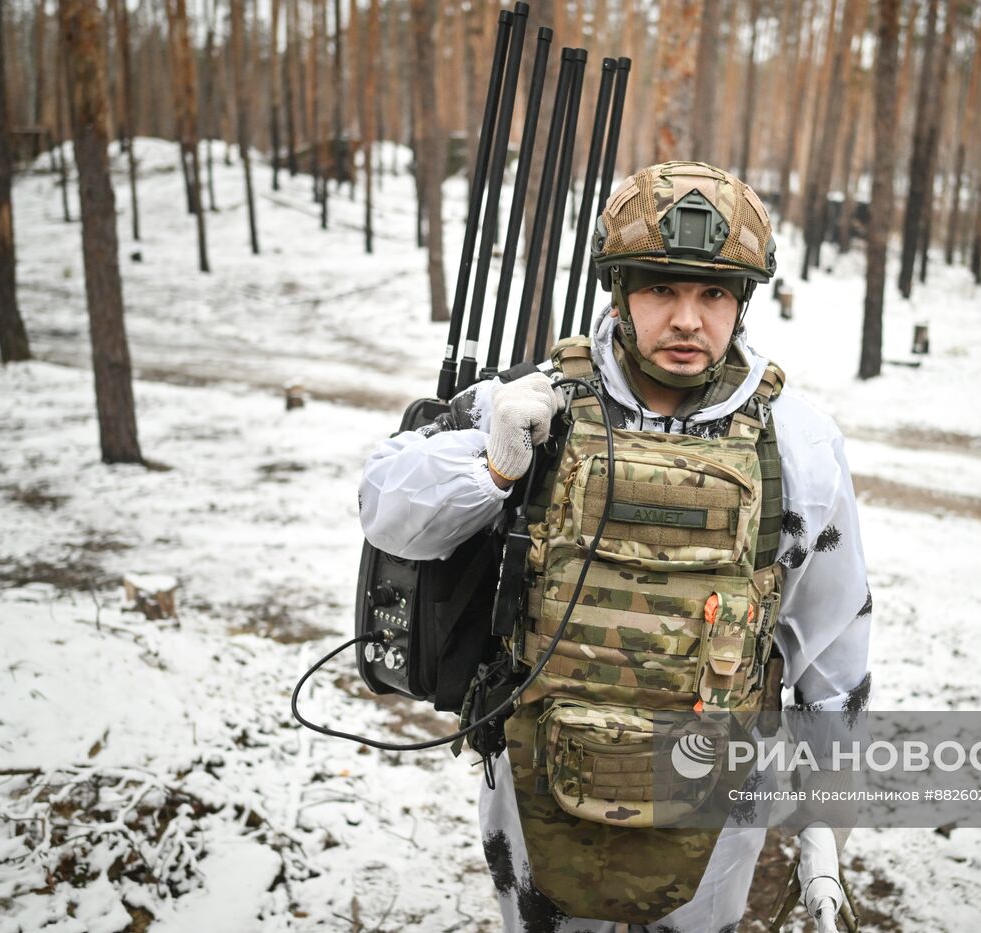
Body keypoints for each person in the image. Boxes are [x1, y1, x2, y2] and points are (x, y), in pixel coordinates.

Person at [359, 161, 872, 932]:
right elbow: (385, 513)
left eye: (713, 293)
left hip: (716, 798)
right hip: (539, 783)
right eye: (661, 288)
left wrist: (824, 830)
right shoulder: (535, 402)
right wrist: (493, 464)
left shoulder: (795, 443)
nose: (689, 320)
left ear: (743, 301)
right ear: (619, 291)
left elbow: (833, 645)